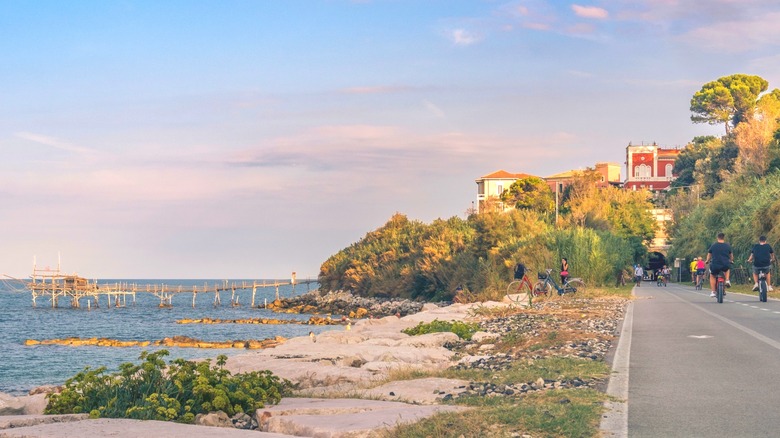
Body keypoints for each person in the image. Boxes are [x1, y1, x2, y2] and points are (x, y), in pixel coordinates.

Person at [705, 232, 733, 298]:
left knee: (712, 275)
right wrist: (731, 260)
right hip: (725, 264)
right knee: (727, 269)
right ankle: (727, 280)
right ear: (723, 238)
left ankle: (713, 292)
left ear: (717, 238)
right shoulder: (727, 246)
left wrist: (707, 261)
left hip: (715, 264)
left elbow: (709, 255)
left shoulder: (713, 245)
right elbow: (731, 255)